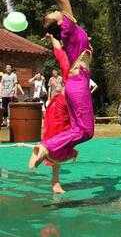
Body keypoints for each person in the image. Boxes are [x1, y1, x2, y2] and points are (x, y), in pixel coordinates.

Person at [29, 0, 94, 169]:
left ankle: (56, 151)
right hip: (77, 84)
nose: (56, 10)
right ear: (59, 21)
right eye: (53, 13)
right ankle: (47, 147)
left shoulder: (71, 34)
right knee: (86, 131)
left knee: (77, 128)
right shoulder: (69, 27)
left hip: (75, 85)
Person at [42, 33, 75, 193]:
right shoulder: (68, 65)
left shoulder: (83, 65)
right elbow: (59, 52)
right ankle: (55, 181)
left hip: (73, 108)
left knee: (76, 134)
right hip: (60, 107)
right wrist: (52, 39)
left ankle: (66, 153)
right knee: (56, 139)